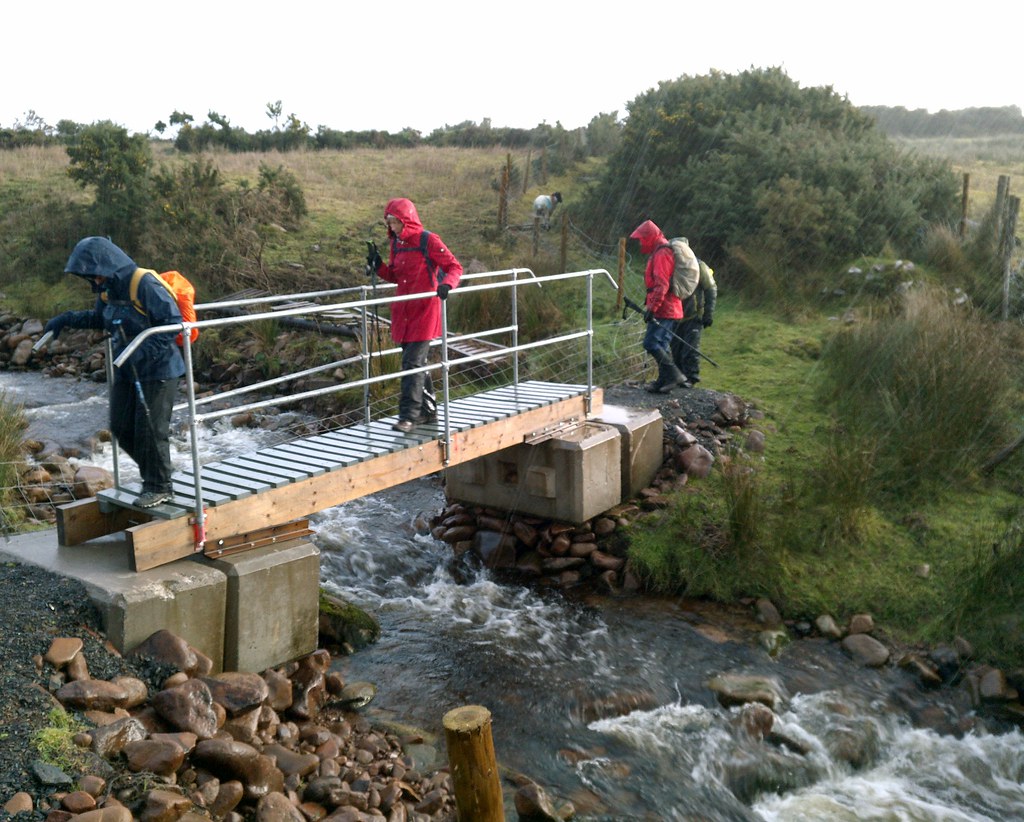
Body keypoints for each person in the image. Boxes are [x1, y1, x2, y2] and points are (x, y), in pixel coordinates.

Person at [43, 237, 185, 508]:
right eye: (90, 277)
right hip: (126, 369)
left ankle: (160, 486)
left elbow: (171, 322)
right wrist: (66, 319)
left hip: (158, 371)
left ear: (109, 265)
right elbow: (100, 318)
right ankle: (157, 474)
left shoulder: (143, 283)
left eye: (95, 274)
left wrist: (142, 352)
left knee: (151, 431)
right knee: (121, 427)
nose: (94, 281)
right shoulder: (107, 289)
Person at [367, 198, 463, 433]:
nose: (391, 227)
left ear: (405, 220)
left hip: (425, 311)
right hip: (404, 312)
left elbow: (454, 267)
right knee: (417, 363)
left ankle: (407, 417)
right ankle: (428, 412)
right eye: (388, 222)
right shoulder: (397, 244)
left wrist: (447, 285)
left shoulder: (427, 240)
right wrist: (378, 265)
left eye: (394, 222)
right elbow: (395, 276)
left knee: (412, 364)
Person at [629, 219, 689, 393]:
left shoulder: (662, 253)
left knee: (651, 342)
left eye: (642, 239)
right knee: (661, 344)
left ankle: (673, 376)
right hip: (670, 306)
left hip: (665, 307)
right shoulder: (660, 250)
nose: (640, 243)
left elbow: (661, 284)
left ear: (649, 237)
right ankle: (664, 381)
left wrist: (652, 308)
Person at [670, 238, 718, 385]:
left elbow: (710, 289)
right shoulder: (670, 265)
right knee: (676, 351)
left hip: (693, 316)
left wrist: (708, 313)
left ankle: (691, 378)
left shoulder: (699, 265)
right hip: (674, 315)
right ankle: (678, 379)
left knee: (690, 350)